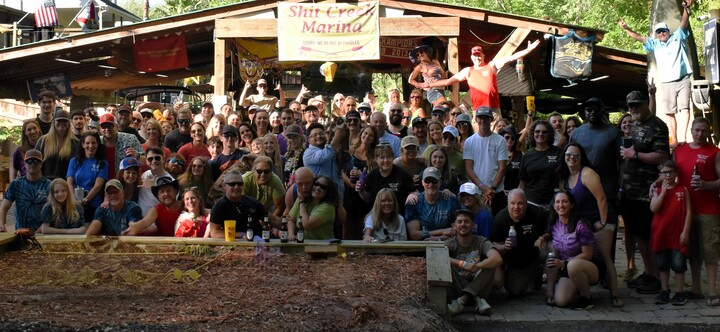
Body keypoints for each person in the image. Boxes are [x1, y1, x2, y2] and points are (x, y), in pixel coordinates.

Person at [619, 0, 693, 146]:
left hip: (683, 79)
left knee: (685, 109)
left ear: (668, 31)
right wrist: (626, 28)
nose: (661, 34)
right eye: (658, 32)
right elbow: (639, 37)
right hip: (666, 81)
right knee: (670, 112)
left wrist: (686, 9)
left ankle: (683, 139)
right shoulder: (655, 44)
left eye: (663, 31)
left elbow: (684, 22)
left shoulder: (677, 37)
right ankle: (674, 140)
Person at [557, 142, 623, 307]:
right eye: (568, 154)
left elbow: (601, 198)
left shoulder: (587, 173)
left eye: (575, 155)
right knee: (584, 254)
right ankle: (582, 290)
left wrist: (602, 221)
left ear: (581, 158)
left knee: (604, 255)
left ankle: (615, 294)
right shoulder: (563, 177)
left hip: (602, 219)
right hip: (582, 224)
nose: (571, 158)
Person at [425, 40, 540, 129]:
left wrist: (527, 50)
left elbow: (510, 58)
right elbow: (447, 81)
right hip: (477, 111)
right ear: (471, 57)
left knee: (496, 136)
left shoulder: (491, 65)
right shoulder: (468, 70)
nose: (477, 58)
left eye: (479, 55)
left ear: (483, 56)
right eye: (475, 55)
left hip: (493, 110)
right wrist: (427, 85)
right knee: (479, 137)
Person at [621, 90, 670, 294]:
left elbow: (662, 155)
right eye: (630, 105)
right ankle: (649, 273)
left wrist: (635, 154)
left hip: (647, 192)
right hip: (630, 190)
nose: (633, 109)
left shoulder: (657, 125)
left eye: (637, 105)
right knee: (639, 235)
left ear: (645, 104)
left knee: (650, 236)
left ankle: (658, 278)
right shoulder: (633, 125)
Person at [672, 117, 720, 305]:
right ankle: (696, 289)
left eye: (704, 131)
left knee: (710, 251)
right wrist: (657, 184)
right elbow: (670, 175)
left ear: (709, 132)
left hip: (710, 210)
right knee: (692, 252)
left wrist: (707, 185)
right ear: (691, 130)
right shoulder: (679, 151)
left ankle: (713, 292)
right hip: (686, 210)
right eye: (697, 130)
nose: (700, 134)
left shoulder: (715, 152)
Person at [544, 191, 599, 309]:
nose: (561, 205)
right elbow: (549, 235)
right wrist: (542, 238)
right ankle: (572, 289)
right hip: (567, 267)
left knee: (572, 266)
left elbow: (588, 254)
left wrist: (564, 263)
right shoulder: (554, 222)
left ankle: (586, 297)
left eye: (564, 201)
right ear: (554, 206)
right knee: (561, 301)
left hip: (587, 267)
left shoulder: (581, 225)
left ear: (571, 205)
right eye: (557, 202)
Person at [649, 160, 692, 305]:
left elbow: (689, 212)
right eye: (664, 172)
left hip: (678, 234)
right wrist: (662, 194)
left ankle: (680, 292)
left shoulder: (683, 190)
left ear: (675, 173)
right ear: (660, 175)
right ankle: (664, 290)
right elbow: (654, 208)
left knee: (679, 264)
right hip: (661, 234)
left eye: (670, 172)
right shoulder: (657, 190)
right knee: (662, 263)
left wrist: (685, 231)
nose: (667, 175)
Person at [445, 209, 503, 315]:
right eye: (459, 222)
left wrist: (476, 266)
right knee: (446, 263)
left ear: (473, 225)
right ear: (454, 226)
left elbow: (497, 258)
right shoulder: (450, 243)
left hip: (479, 285)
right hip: (458, 287)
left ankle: (462, 301)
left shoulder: (481, 241)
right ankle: (476, 300)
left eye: (467, 221)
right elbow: (438, 256)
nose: (463, 224)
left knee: (489, 265)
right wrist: (462, 264)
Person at [491, 189, 547, 297]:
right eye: (513, 203)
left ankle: (543, 278)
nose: (516, 207)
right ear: (507, 203)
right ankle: (532, 275)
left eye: (520, 203)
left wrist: (543, 237)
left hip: (533, 254)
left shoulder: (538, 213)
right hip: (514, 260)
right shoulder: (500, 218)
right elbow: (493, 245)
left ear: (526, 203)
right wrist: (503, 247)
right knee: (514, 291)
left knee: (551, 248)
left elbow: (552, 228)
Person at [464, 106, 508, 214]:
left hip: (496, 191)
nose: (483, 120)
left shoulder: (500, 140)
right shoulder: (469, 141)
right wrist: (482, 187)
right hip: (476, 192)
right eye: (480, 117)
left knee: (497, 225)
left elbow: (502, 168)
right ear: (476, 119)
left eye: (486, 117)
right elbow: (468, 168)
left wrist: (491, 189)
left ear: (491, 119)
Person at [209, 169, 272, 239]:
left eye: (239, 184)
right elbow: (215, 233)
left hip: (260, 242)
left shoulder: (253, 202)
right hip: (235, 245)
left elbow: (273, 220)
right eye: (232, 184)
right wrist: (240, 234)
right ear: (224, 186)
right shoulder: (219, 207)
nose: (236, 187)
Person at [0, 149, 51, 232]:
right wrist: (1, 224)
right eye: (29, 161)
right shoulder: (16, 184)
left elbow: (54, 211)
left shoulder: (49, 185)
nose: (32, 164)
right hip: (21, 233)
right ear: (24, 164)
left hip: (43, 233)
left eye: (36, 161)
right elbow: (4, 208)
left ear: (41, 164)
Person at [358, 143, 416, 215]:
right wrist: (361, 191)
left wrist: (412, 195)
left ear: (393, 158)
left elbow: (414, 191)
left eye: (388, 157)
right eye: (382, 157)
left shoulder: (402, 174)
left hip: (398, 215)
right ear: (376, 159)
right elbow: (368, 199)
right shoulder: (372, 175)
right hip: (377, 215)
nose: (385, 160)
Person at [405, 167, 461, 241]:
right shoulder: (413, 202)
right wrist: (442, 231)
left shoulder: (451, 200)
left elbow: (456, 229)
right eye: (427, 181)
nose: (430, 184)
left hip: (446, 244)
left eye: (434, 181)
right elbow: (414, 235)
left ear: (440, 182)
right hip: (420, 246)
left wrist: (438, 238)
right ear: (422, 182)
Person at [343, 125, 378, 240]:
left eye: (371, 135)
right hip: (349, 192)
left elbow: (375, 177)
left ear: (374, 139)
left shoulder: (374, 156)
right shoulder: (351, 150)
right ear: (361, 133)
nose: (367, 136)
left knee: (361, 223)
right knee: (348, 223)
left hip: (364, 195)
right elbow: (341, 172)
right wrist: (351, 184)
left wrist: (361, 176)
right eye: (365, 133)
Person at [67, 130, 108, 223]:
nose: (90, 146)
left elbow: (98, 186)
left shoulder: (102, 163)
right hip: (75, 204)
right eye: (87, 143)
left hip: (93, 204)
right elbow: (69, 182)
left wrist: (84, 201)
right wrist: (74, 200)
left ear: (98, 144)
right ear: (82, 144)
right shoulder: (74, 161)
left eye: (93, 143)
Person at [519, 120, 561, 208]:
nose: (540, 134)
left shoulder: (558, 153)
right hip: (531, 202)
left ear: (549, 134)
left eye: (544, 132)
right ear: (532, 133)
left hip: (553, 202)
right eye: (537, 131)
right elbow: (522, 182)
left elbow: (563, 179)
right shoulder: (527, 156)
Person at [287, 175, 338, 240]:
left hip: (323, 246)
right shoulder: (303, 198)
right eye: (316, 184)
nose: (318, 188)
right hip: (302, 244)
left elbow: (306, 224)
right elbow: (291, 220)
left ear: (328, 192)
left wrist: (302, 202)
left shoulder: (328, 207)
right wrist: (291, 234)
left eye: (323, 187)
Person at [34, 109, 81, 180]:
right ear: (53, 122)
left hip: (65, 185)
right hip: (45, 184)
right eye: (59, 121)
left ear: (69, 123)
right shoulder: (43, 141)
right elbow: (35, 163)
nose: (62, 123)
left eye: (65, 121)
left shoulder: (75, 143)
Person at [98, 113, 143, 180]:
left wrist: (137, 156)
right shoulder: (96, 142)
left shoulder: (130, 139)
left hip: (125, 184)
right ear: (99, 129)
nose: (107, 129)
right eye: (104, 126)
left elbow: (146, 162)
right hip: (100, 183)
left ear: (117, 126)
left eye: (110, 126)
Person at [499, 126, 522, 194]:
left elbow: (523, 177)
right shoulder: (495, 154)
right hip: (497, 192)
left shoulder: (521, 155)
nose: (510, 140)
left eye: (513, 138)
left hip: (514, 193)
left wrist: (517, 192)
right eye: (507, 137)